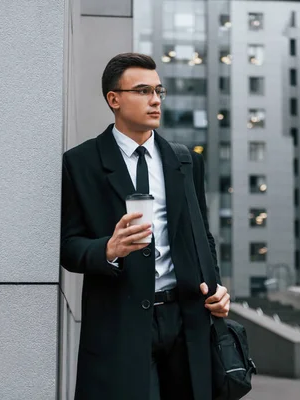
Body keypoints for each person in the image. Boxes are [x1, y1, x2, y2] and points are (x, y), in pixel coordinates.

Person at [60, 53, 230, 400]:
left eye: (158, 91)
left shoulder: (185, 161)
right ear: (114, 99)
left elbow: (203, 239)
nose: (155, 100)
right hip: (119, 323)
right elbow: (68, 245)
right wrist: (108, 249)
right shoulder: (81, 163)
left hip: (186, 320)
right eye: (142, 91)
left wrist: (217, 288)